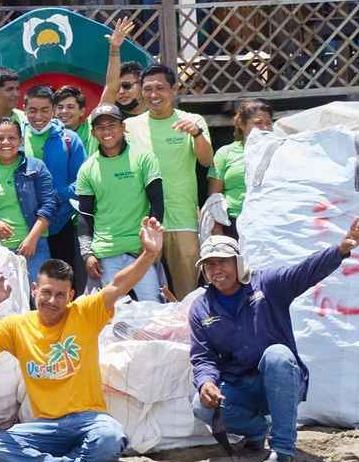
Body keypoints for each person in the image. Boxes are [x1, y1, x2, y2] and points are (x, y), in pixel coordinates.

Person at [0, 218, 166, 462]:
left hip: (89, 421)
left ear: (71, 295)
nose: (52, 301)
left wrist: (149, 253)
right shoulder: (17, 326)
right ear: (34, 290)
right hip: (46, 427)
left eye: (61, 295)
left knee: (111, 438)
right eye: (46, 292)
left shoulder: (84, 313)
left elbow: (118, 284)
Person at [189, 219, 359, 462]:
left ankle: (283, 447)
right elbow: (203, 357)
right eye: (209, 265)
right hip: (240, 386)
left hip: (280, 381)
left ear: (238, 262)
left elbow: (304, 271)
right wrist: (206, 382)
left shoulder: (267, 284)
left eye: (222, 261)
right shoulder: (201, 308)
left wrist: (340, 250)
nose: (216, 269)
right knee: (201, 406)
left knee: (277, 355)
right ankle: (257, 431)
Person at [125, 65, 212, 297]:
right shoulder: (130, 126)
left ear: (174, 89)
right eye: (148, 89)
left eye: (160, 88)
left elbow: (206, 161)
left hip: (182, 220)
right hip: (143, 221)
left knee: (188, 293)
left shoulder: (193, 120)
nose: (154, 95)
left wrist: (196, 134)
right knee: (146, 295)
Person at [75, 103, 165, 302]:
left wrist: (151, 244)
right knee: (113, 315)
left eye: (112, 125)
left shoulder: (144, 158)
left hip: (140, 252)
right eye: (100, 127)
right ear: (93, 132)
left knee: (153, 309)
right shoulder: (87, 168)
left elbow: (157, 203)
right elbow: (85, 217)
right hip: (105, 255)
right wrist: (87, 254)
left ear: (123, 127)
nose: (106, 131)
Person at [0, 117, 55, 287]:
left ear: (21, 140)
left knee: (37, 297)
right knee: (3, 303)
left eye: (12, 138)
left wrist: (32, 239)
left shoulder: (36, 167)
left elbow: (49, 205)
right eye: (0, 138)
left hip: (34, 248)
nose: (6, 142)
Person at [20, 86, 88, 289]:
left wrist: (56, 195)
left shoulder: (69, 139)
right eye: (32, 110)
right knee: (26, 285)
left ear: (53, 111)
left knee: (62, 283)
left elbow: (82, 182)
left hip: (61, 223)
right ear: (24, 109)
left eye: (44, 110)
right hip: (24, 226)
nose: (38, 116)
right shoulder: (15, 137)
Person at [208, 100, 272, 234]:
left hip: (267, 221)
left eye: (268, 123)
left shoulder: (277, 152)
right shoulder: (225, 153)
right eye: (258, 123)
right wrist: (217, 228)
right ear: (242, 124)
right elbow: (215, 195)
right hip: (233, 222)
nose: (265, 128)